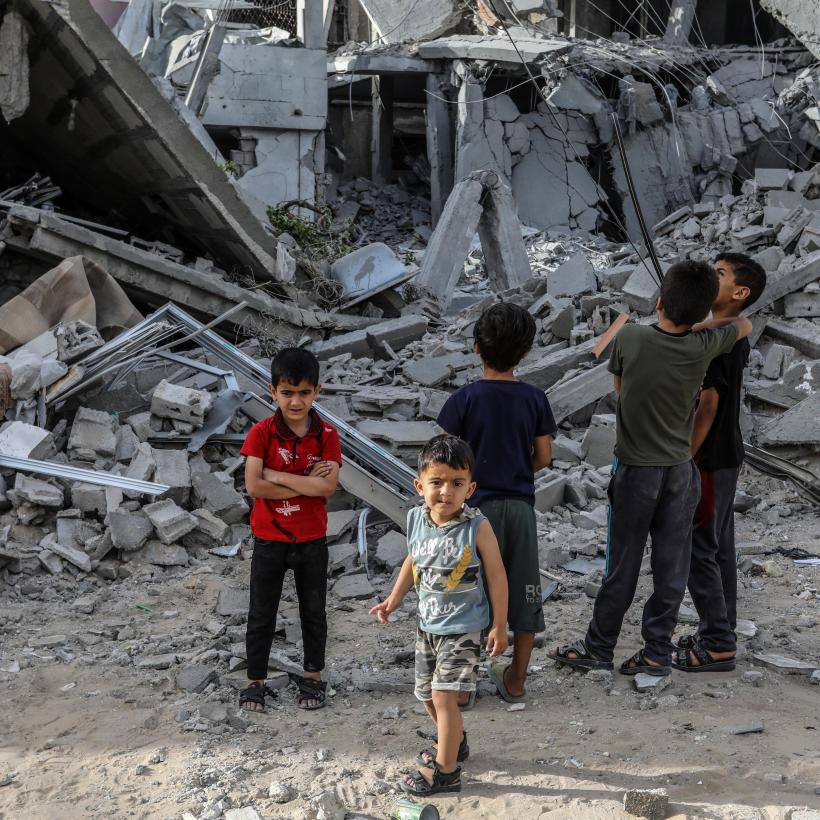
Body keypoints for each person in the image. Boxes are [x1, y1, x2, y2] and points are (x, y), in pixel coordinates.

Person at [548, 261, 753, 676]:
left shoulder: (630, 336)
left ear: (659, 301)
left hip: (635, 469)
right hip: (680, 471)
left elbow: (621, 393)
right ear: (700, 314)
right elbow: (744, 325)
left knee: (622, 563)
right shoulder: (705, 345)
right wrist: (700, 329)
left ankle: (598, 646)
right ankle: (656, 650)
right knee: (671, 565)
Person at [370, 435, 509, 796]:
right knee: (426, 695)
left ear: (470, 488)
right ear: (420, 485)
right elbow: (412, 560)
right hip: (427, 625)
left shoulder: (477, 527)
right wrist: (394, 598)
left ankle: (446, 770)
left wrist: (498, 625)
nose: (446, 491)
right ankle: (455, 740)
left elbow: (496, 576)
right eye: (437, 482)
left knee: (445, 696)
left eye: (456, 483)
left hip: (464, 628)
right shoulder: (417, 519)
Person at [437, 302, 556, 704]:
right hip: (519, 508)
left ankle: (462, 686)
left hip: (473, 510)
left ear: (476, 347)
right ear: (525, 353)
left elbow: (443, 461)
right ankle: (516, 681)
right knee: (524, 590)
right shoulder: (535, 399)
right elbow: (544, 457)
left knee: (467, 591)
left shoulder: (463, 400)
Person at [674, 253, 766, 672]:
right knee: (719, 545)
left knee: (698, 548)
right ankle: (722, 627)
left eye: (721, 274)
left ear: (740, 293)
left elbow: (707, 407)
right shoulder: (729, 331)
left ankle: (717, 643)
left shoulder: (718, 339)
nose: (713, 276)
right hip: (726, 453)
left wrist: (686, 455)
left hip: (708, 456)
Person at [238, 348, 342, 712]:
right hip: (270, 538)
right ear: (272, 391)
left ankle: (313, 678)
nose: (295, 401)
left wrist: (278, 475)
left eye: (303, 392)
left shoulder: (327, 434)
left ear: (317, 391)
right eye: (287, 392)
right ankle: (255, 681)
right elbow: (254, 487)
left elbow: (327, 487)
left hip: (312, 538)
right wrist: (303, 483)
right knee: (261, 611)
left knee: (313, 610)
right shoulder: (261, 433)